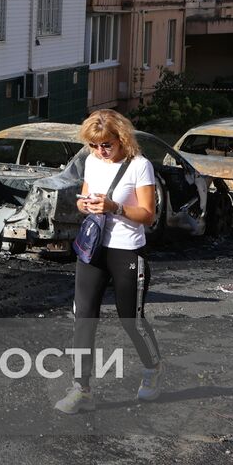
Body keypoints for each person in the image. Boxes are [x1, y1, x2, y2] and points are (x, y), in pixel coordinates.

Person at [55, 110, 163, 414]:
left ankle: (152, 367)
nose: (100, 151)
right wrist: (84, 203)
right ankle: (82, 389)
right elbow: (85, 197)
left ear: (121, 139)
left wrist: (114, 206)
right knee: (83, 316)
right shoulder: (92, 161)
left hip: (127, 250)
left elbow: (148, 214)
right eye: (94, 145)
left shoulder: (140, 167)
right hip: (93, 249)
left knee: (131, 319)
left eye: (106, 145)